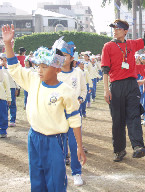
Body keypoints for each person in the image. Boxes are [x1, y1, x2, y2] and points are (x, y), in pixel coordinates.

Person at [2, 24, 86, 191]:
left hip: (55, 140)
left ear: (56, 68)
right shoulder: (33, 80)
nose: (39, 70)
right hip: (34, 137)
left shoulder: (66, 91)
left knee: (55, 181)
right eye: (38, 66)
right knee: (37, 179)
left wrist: (79, 147)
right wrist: (8, 45)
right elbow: (14, 68)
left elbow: (75, 120)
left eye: (44, 67)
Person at [101, 7, 145, 162]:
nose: (115, 31)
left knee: (134, 115)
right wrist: (106, 90)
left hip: (131, 84)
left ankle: (138, 146)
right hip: (116, 86)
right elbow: (105, 69)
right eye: (114, 29)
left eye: (118, 29)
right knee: (118, 120)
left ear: (125, 31)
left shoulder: (131, 44)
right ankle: (119, 150)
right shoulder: (108, 46)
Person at [54, 37, 87, 186]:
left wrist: (80, 98)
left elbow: (84, 88)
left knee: (74, 145)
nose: (62, 58)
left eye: (65, 55)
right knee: (58, 146)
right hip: (57, 115)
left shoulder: (78, 73)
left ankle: (76, 172)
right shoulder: (54, 73)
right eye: (59, 55)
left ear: (72, 58)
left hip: (73, 115)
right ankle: (60, 173)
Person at [1, 53, 19, 126]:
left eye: (5, 60)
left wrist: (17, 88)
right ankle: (5, 118)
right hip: (3, 90)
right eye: (2, 60)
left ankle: (12, 120)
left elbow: (16, 79)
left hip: (11, 87)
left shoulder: (10, 69)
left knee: (12, 104)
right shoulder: (1, 69)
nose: (4, 62)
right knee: (4, 105)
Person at [0, 58, 11, 138]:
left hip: (1, 98)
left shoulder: (4, 73)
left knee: (3, 115)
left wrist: (9, 98)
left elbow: (7, 87)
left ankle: (3, 131)